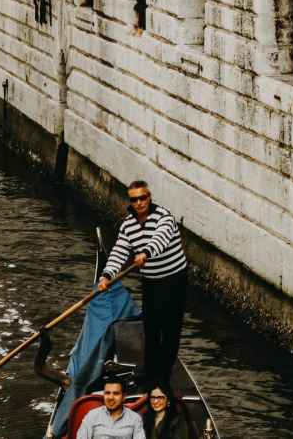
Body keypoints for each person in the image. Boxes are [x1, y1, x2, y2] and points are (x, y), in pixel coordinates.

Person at [98, 180, 188, 391]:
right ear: (130, 201)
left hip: (174, 279)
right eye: (134, 199)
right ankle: (151, 375)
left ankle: (163, 379)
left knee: (170, 330)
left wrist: (146, 253)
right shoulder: (128, 225)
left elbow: (161, 238)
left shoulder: (164, 218)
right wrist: (106, 275)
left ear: (149, 198)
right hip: (151, 281)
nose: (139, 202)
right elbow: (119, 252)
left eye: (143, 198)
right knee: (151, 328)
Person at [75, 378, 145, 439]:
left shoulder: (135, 418)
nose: (110, 397)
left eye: (116, 393)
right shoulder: (92, 416)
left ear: (124, 397)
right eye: (107, 393)